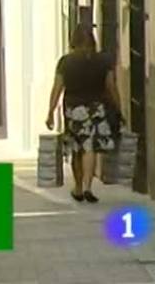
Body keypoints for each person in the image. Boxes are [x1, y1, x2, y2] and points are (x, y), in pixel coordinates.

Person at [46, 24, 121, 203]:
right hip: (96, 109)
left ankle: (78, 187)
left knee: (76, 148)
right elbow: (111, 87)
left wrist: (50, 112)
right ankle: (88, 186)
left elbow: (57, 88)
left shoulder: (66, 62)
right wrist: (118, 108)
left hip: (74, 109)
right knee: (91, 147)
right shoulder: (103, 61)